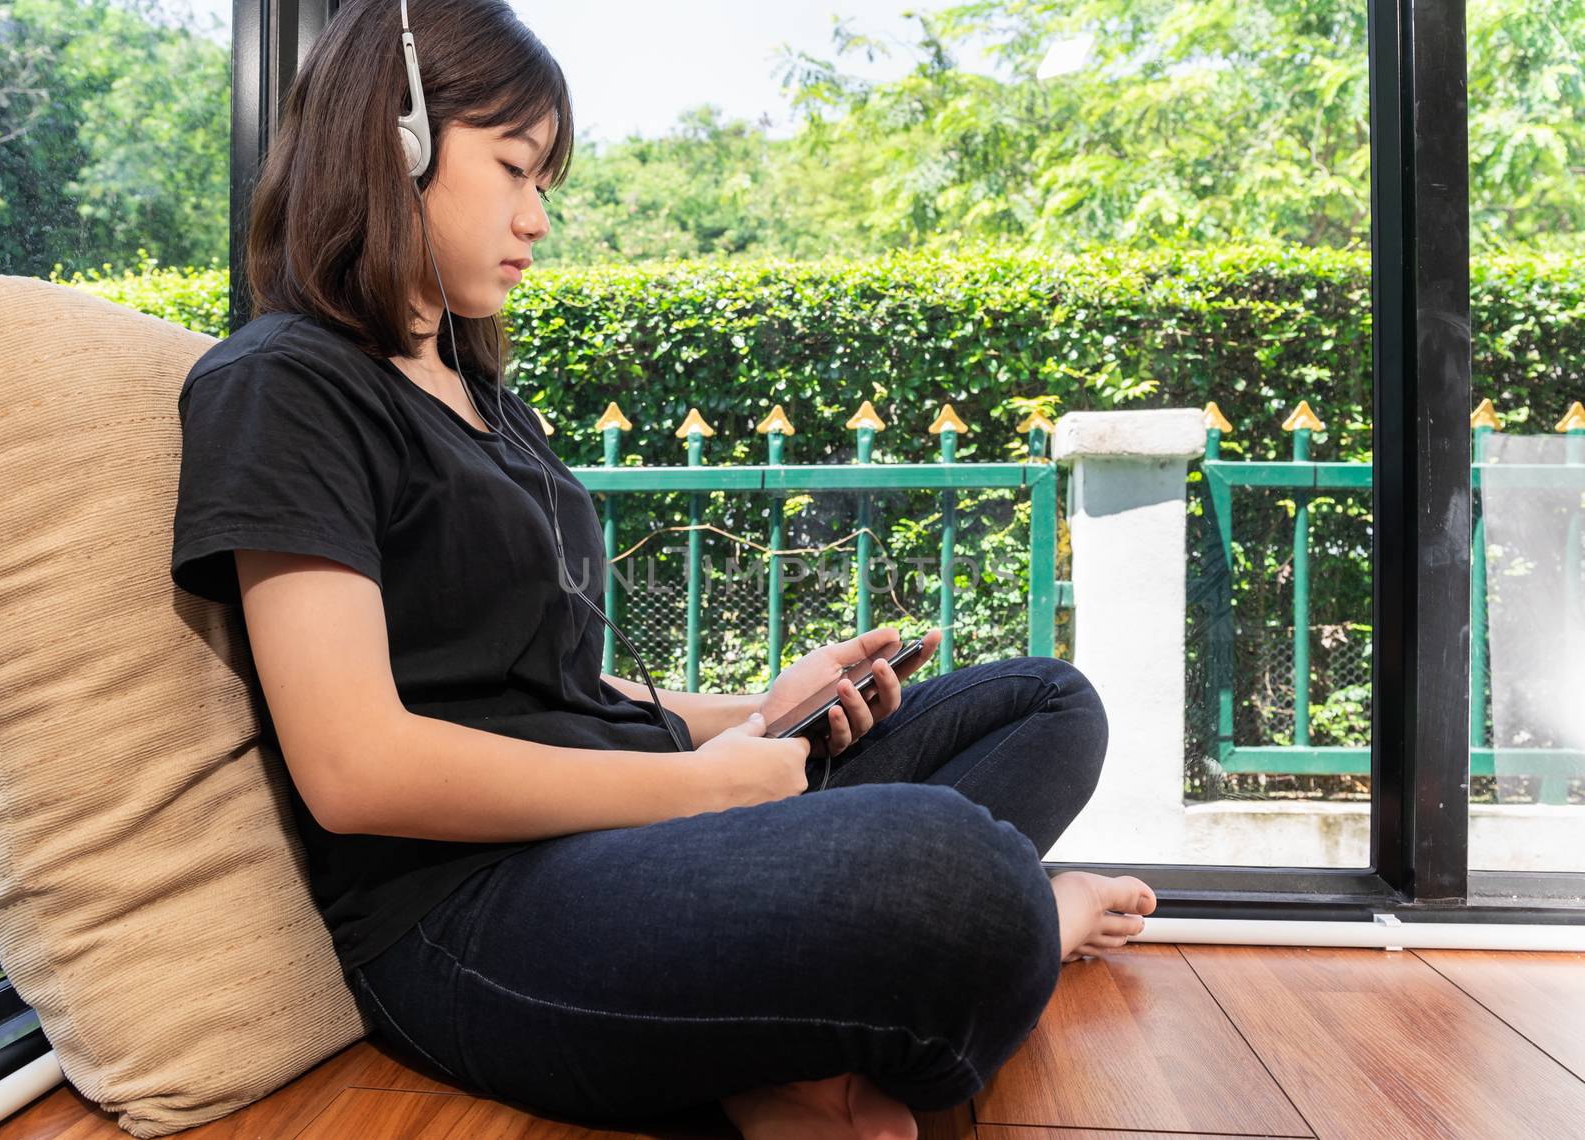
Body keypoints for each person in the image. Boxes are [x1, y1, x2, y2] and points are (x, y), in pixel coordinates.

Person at [168, 2, 1156, 1137]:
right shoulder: (283, 384)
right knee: (955, 882)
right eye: (515, 170)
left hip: (625, 822)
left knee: (1043, 705)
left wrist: (763, 712)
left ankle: (787, 1054)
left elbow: (563, 692)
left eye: (548, 183)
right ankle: (1008, 931)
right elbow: (354, 766)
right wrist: (701, 789)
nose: (538, 218)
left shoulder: (483, 397)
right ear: (393, 143)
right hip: (470, 903)